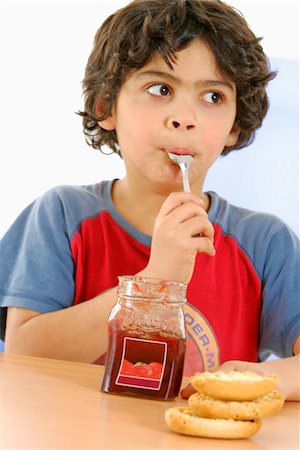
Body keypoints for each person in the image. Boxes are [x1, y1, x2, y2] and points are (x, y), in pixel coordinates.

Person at [0, 0, 299, 401]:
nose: (184, 117)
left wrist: (264, 379)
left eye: (213, 97)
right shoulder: (62, 215)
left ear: (236, 124)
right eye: (160, 89)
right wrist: (154, 281)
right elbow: (25, 353)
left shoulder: (264, 241)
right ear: (106, 105)